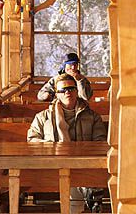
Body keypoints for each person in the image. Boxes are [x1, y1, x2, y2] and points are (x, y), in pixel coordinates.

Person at [28, 73, 107, 213]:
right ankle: (90, 199)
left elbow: (100, 143)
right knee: (69, 176)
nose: (67, 92)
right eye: (62, 90)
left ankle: (83, 201)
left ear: (77, 91)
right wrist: (52, 145)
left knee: (75, 176)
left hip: (84, 164)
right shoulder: (42, 117)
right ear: (56, 94)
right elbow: (32, 141)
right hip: (54, 165)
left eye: (71, 88)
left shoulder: (93, 117)